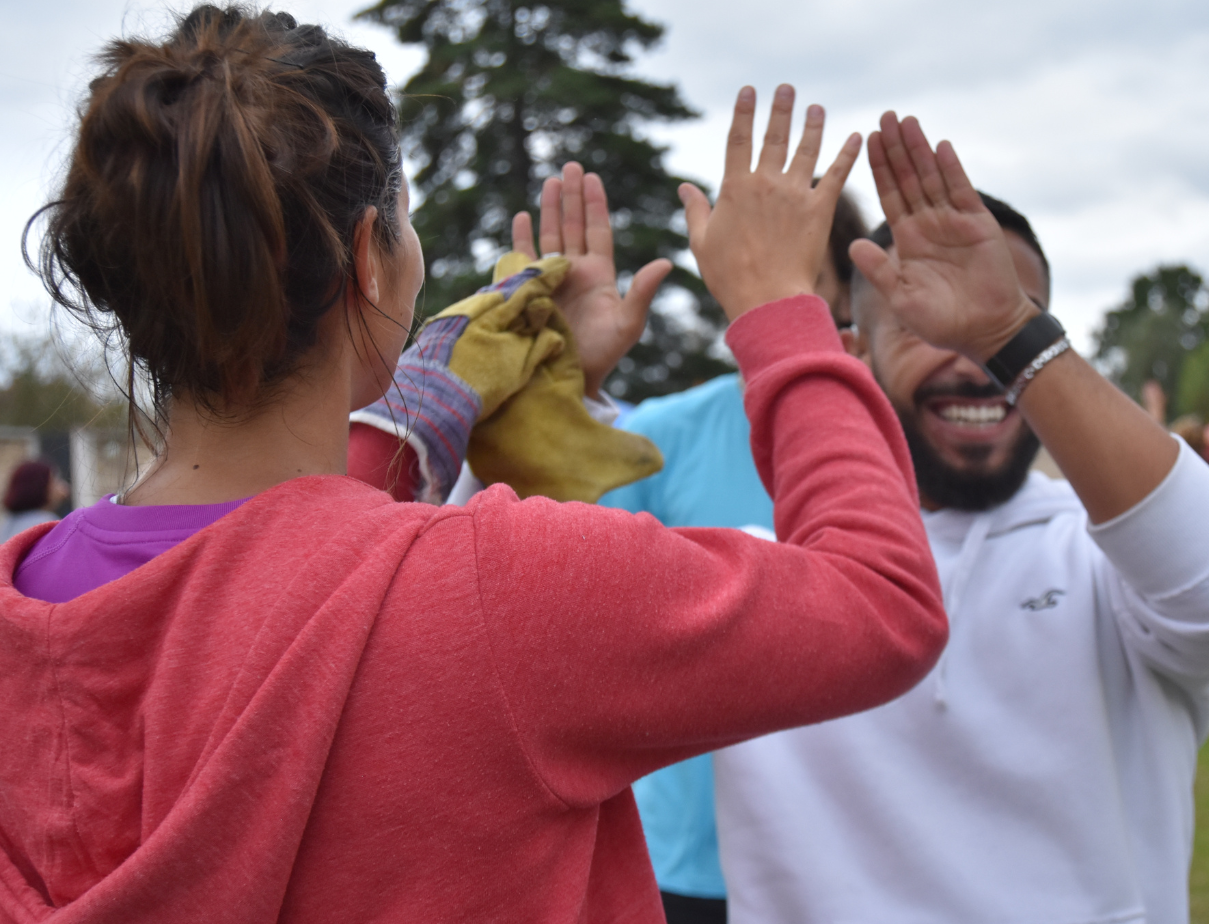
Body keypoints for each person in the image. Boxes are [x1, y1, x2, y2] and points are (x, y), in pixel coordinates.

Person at [1, 8, 949, 922]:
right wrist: (783, 308)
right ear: (370, 261)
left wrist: (486, 407)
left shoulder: (30, 603)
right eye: (406, 226)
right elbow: (881, 601)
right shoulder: (498, 590)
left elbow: (269, 578)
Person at [712, 112, 1209, 924]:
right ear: (855, 354)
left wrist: (1012, 335)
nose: (975, 356)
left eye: (1011, 318)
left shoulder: (1106, 563)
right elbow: (509, 647)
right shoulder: (759, 576)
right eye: (919, 321)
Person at [596, 192, 867, 924]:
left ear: (848, 298)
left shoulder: (889, 441)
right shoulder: (658, 436)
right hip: (683, 861)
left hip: (850, 860)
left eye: (801, 284)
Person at [2, 461, 70, 540]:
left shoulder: (7, 524)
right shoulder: (47, 524)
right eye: (55, 481)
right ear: (40, 487)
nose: (65, 487)